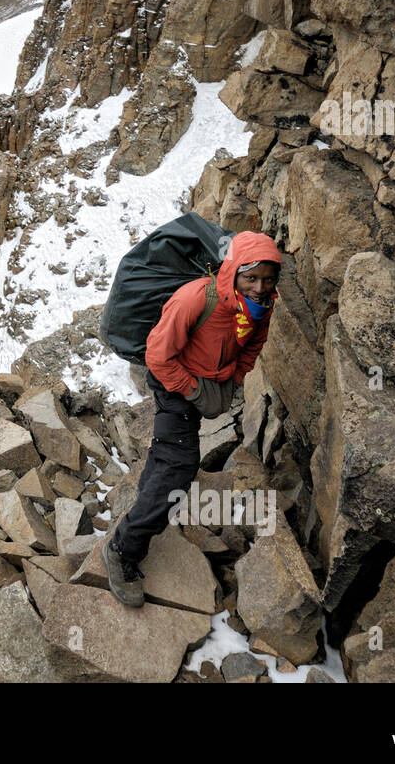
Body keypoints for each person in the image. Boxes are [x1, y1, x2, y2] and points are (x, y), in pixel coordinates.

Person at [101, 230, 283, 607]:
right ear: (233, 272)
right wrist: (192, 390)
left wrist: (234, 380)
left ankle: (145, 498)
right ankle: (123, 549)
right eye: (251, 277)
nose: (260, 287)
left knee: (170, 456)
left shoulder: (259, 308)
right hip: (174, 381)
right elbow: (157, 355)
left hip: (205, 383)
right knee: (180, 465)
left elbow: (252, 346)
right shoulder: (196, 298)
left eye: (268, 278)